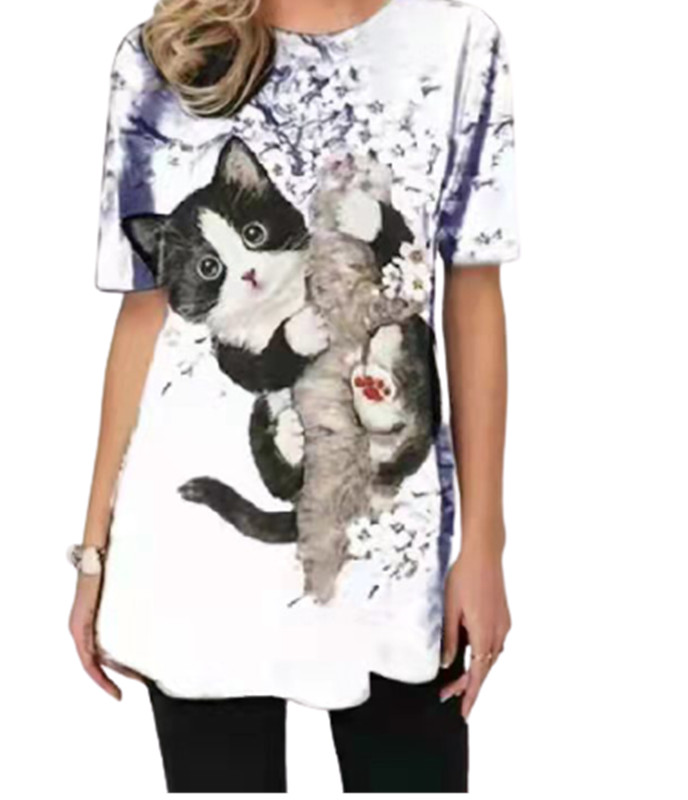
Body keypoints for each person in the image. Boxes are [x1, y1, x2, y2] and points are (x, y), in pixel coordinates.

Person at [68, 0, 519, 791]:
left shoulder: (456, 45)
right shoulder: (165, 57)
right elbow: (143, 318)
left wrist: (484, 545)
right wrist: (93, 551)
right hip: (194, 564)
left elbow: (473, 298)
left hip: (393, 555)